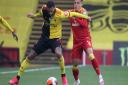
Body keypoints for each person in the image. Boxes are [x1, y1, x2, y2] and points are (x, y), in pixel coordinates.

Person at [9, 0, 90, 85]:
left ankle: (64, 77)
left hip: (55, 39)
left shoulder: (60, 13)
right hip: (44, 38)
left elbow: (74, 14)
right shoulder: (44, 9)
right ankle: (17, 79)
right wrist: (34, 15)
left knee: (59, 53)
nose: (50, 12)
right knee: (30, 56)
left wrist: (86, 17)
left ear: (54, 8)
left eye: (52, 10)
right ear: (47, 8)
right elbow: (40, 13)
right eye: (49, 10)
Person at [68, 0, 104, 85]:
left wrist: (75, 17)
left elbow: (84, 24)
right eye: (74, 3)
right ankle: (77, 80)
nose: (76, 4)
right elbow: (61, 13)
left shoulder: (84, 12)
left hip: (85, 39)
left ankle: (100, 76)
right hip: (76, 42)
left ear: (81, 4)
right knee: (74, 65)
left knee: (91, 55)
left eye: (78, 3)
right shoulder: (71, 12)